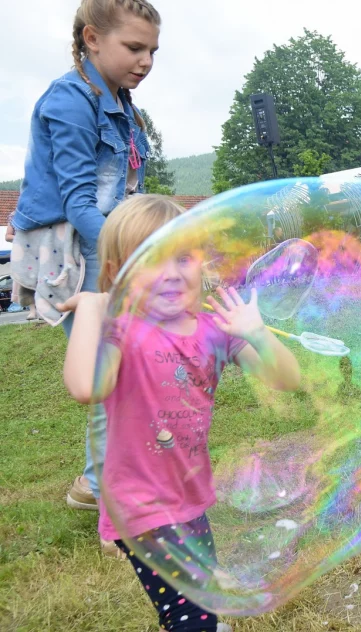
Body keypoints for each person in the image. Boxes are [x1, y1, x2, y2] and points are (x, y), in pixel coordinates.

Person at [58, 195, 301, 632]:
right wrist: (93, 309)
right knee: (189, 617)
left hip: (190, 498)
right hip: (140, 508)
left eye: (183, 257)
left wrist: (258, 334)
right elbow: (85, 387)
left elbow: (287, 379)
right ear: (117, 273)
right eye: (151, 260)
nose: (171, 273)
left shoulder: (214, 331)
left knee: (201, 599)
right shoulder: (120, 332)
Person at [9, 0, 158, 537]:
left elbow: (124, 190)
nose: (146, 61)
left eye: (153, 51)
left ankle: (95, 484)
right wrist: (137, 251)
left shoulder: (120, 100)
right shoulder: (69, 100)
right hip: (82, 250)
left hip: (109, 242)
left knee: (125, 370)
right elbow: (78, 202)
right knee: (108, 378)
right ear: (92, 39)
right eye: (134, 48)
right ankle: (111, 503)